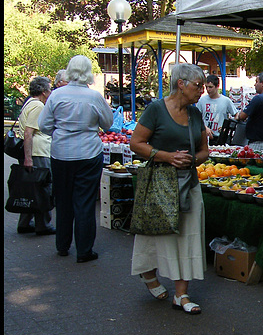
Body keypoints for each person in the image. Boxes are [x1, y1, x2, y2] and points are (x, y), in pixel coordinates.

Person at [129, 63, 209, 315]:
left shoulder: (195, 114)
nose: (202, 90)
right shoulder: (155, 110)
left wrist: (193, 160)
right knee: (157, 233)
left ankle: (181, 294)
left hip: (188, 183)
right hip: (159, 183)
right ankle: (148, 273)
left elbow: (205, 150)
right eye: (198, 85)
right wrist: (166, 156)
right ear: (181, 84)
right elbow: (136, 143)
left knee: (189, 234)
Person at [38, 55, 114, 262]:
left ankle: (62, 245)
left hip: (61, 153)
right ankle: (84, 250)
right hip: (88, 153)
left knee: (63, 200)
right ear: (88, 72)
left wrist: (60, 131)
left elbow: (43, 125)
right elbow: (108, 123)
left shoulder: (56, 95)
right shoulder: (94, 97)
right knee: (85, 202)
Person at [16, 76, 55, 235]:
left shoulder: (29, 103)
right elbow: (28, 133)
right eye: (49, 89)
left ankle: (25, 222)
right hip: (38, 152)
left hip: (34, 152)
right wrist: (28, 158)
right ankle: (42, 225)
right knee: (43, 188)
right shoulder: (38, 106)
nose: (51, 92)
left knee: (31, 187)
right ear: (44, 91)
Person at [196, 74, 237, 144]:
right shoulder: (201, 100)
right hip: (204, 137)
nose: (208, 90)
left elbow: (236, 115)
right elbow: (196, 118)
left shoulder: (226, 101)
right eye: (206, 87)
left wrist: (226, 127)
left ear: (217, 86)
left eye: (210, 87)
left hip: (220, 137)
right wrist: (204, 127)